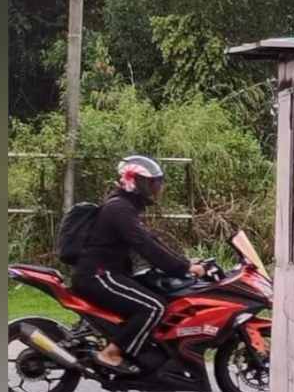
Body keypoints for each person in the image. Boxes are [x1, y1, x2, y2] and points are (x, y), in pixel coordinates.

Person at [71, 156, 205, 375]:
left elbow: (151, 240)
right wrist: (183, 269)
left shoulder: (124, 207)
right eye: (154, 183)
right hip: (99, 276)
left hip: (106, 274)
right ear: (139, 183)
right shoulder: (119, 209)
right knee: (154, 306)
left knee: (154, 297)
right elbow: (145, 246)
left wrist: (186, 262)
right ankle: (111, 354)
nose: (157, 189)